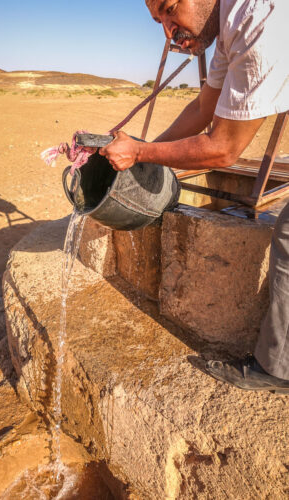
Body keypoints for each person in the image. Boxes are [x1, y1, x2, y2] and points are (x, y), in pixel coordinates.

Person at [99, 0, 289, 393]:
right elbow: (204, 107)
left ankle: (278, 369)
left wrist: (140, 153)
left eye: (171, 9)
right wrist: (143, 153)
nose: (169, 31)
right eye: (159, 21)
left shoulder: (259, 18)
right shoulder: (226, 33)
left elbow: (223, 148)